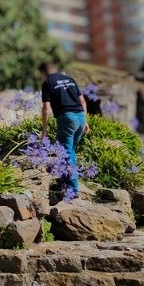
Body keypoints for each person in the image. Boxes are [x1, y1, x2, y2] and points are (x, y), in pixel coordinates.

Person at [39, 60, 89, 202]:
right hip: (80, 117)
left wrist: (44, 130)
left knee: (66, 153)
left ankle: (73, 190)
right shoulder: (70, 79)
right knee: (71, 151)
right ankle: (64, 182)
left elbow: (46, 108)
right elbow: (83, 102)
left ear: (42, 72)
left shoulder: (47, 83)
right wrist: (85, 122)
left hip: (67, 118)